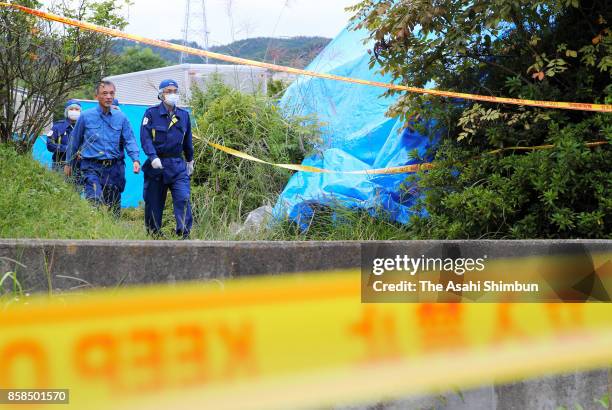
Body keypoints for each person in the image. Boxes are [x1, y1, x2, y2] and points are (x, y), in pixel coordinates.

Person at [65, 81, 141, 216]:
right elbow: (74, 140)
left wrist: (135, 159)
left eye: (111, 93)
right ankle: (92, 230)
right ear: (96, 96)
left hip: (114, 168)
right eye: (104, 93)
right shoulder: (86, 116)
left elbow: (130, 140)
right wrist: (69, 163)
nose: (109, 97)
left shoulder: (121, 117)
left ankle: (111, 234)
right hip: (91, 166)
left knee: (113, 208)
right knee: (94, 200)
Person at [140, 79, 194, 239]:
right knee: (153, 204)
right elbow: (145, 138)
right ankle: (154, 235)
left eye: (175, 91)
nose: (172, 94)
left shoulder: (183, 115)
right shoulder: (151, 114)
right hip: (156, 166)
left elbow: (188, 140)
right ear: (161, 94)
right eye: (168, 91)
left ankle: (184, 234)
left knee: (183, 197)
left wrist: (190, 160)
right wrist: (153, 157)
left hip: (177, 165)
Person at [46, 100, 81, 172]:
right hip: (59, 165)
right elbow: (50, 144)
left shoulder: (83, 127)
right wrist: (67, 149)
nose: (74, 111)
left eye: (77, 109)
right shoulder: (57, 127)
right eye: (71, 109)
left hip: (78, 166)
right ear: (66, 111)